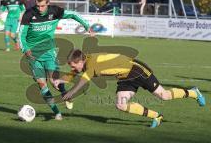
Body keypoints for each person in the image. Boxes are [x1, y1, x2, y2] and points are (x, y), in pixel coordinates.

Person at [54, 49, 205, 127]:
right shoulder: (84, 60)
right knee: (121, 104)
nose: (73, 68)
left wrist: (71, 93)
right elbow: (74, 74)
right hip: (125, 76)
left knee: (163, 95)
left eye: (73, 65)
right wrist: (61, 79)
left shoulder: (91, 65)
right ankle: (156, 116)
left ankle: (193, 92)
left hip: (136, 70)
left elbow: (82, 81)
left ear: (80, 61)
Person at [19, 0, 94, 120]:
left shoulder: (55, 11)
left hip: (48, 52)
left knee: (54, 81)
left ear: (48, 3)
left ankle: (65, 94)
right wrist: (25, 48)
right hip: (32, 55)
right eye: (38, 5)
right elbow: (21, 34)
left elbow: (73, 14)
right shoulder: (29, 14)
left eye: (42, 5)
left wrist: (87, 26)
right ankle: (57, 113)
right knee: (42, 84)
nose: (40, 8)